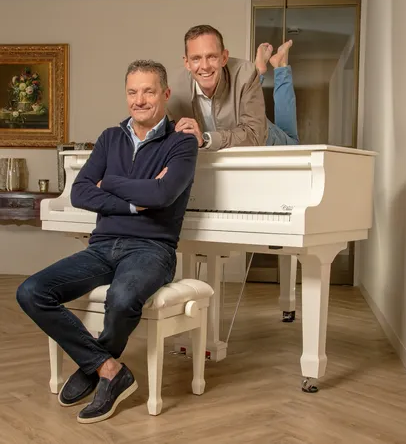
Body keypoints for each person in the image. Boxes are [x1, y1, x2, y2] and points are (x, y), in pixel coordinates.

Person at [16, 60, 199, 424]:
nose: (139, 100)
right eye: (132, 92)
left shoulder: (182, 143)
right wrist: (134, 201)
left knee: (122, 297)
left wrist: (110, 182)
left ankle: (95, 367)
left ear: (165, 94)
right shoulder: (109, 138)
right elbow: (80, 192)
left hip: (152, 249)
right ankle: (106, 367)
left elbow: (162, 194)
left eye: (148, 91)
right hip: (102, 247)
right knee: (31, 291)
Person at [166, 24, 299, 150]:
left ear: (224, 58)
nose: (205, 66)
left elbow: (255, 135)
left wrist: (206, 139)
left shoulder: (245, 74)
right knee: (246, 76)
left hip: (261, 135)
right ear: (187, 63)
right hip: (236, 129)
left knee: (293, 143)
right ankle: (258, 70)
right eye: (196, 58)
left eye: (212, 57)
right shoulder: (173, 89)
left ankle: (281, 66)